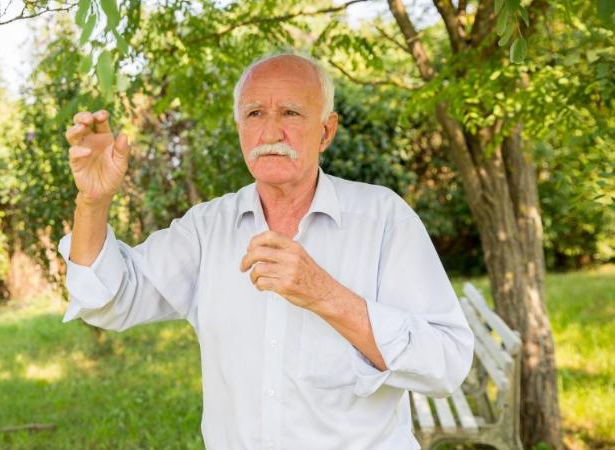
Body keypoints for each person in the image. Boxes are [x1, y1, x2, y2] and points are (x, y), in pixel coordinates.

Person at [59, 53, 474, 450]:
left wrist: (324, 294)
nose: (271, 132)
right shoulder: (208, 228)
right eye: (255, 113)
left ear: (326, 131)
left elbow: (447, 364)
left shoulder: (383, 218)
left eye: (291, 113)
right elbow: (109, 299)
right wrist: (92, 203)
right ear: (240, 126)